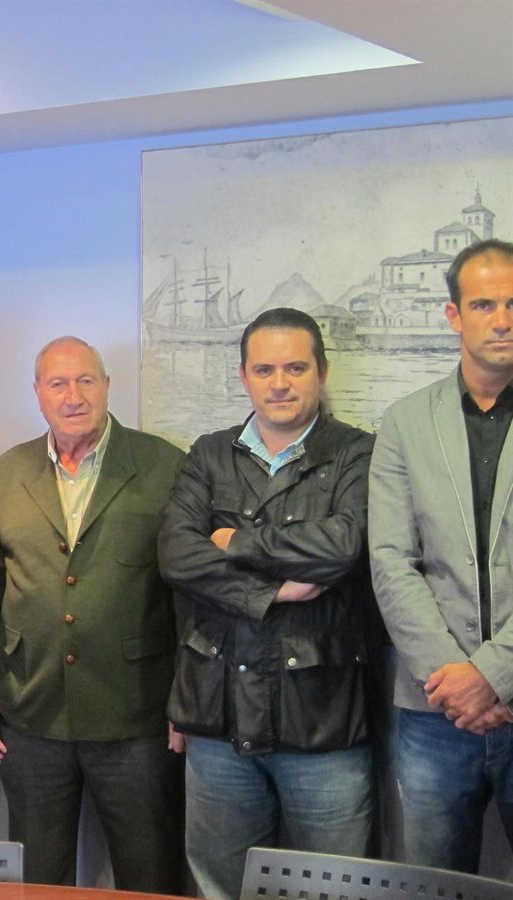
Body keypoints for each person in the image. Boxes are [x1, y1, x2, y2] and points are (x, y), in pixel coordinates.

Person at [158, 307, 376, 900]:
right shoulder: (210, 453)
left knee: (336, 888)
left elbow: (345, 546)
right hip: (217, 721)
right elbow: (177, 556)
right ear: (244, 376)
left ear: (321, 372)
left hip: (324, 721)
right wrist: (273, 590)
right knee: (220, 887)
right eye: (264, 369)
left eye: (295, 368)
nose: (279, 383)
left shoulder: (358, 453)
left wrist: (236, 541)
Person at [0, 336, 185, 889]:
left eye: (86, 381)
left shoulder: (163, 464)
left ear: (107, 386)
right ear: (37, 392)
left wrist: (188, 702)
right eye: (57, 383)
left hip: (136, 720)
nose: (73, 396)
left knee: (149, 876)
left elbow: (188, 597)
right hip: (29, 716)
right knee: (39, 880)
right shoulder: (10, 469)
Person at [369, 238, 513, 873]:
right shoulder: (404, 422)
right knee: (433, 884)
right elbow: (391, 560)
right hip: (434, 706)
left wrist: (493, 676)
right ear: (454, 315)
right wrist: (455, 680)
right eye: (484, 304)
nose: (502, 320)